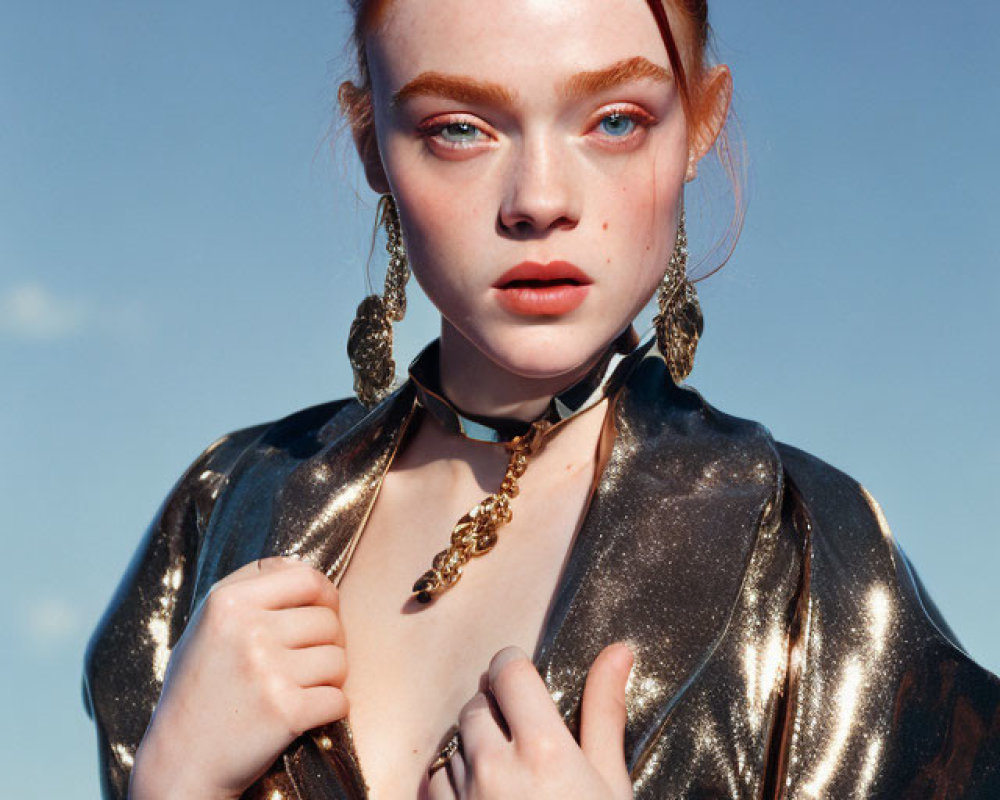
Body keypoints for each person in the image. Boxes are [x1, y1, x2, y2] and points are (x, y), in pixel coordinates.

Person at [83, 0, 1000, 798]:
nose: (539, 199)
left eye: (614, 120)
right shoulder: (226, 509)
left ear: (701, 122)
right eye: (459, 127)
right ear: (373, 147)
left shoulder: (806, 556)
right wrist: (172, 787)